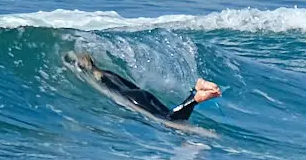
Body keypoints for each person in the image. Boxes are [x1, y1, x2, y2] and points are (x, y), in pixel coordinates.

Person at [68, 51, 221, 122]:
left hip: (137, 96)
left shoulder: (101, 76)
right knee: (167, 116)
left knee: (167, 118)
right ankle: (195, 93)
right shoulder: (105, 73)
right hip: (138, 95)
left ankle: (195, 96)